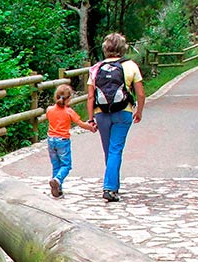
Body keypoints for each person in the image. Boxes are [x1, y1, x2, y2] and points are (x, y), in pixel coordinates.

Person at [87, 32, 145, 202]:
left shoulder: (96, 68)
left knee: (109, 149)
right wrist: (139, 111)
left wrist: (91, 119)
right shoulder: (131, 66)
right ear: (123, 48)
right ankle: (110, 187)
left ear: (105, 49)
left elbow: (90, 96)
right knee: (116, 149)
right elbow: (140, 94)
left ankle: (113, 184)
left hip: (101, 114)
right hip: (123, 112)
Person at [46, 84, 97, 198]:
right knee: (66, 165)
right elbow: (81, 124)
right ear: (68, 99)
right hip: (62, 141)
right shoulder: (69, 111)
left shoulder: (49, 110)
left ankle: (57, 189)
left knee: (56, 165)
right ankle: (58, 180)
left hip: (51, 140)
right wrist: (91, 127)